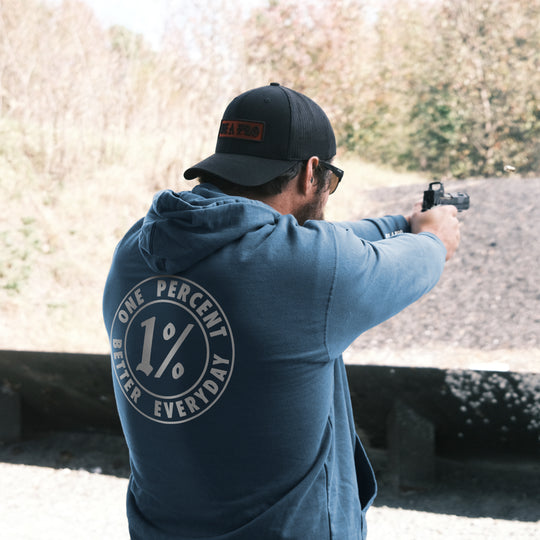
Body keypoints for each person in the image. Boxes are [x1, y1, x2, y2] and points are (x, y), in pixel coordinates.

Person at [103, 82, 460, 539]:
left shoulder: (135, 249)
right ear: (312, 173)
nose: (327, 192)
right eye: (329, 180)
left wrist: (398, 223)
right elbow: (421, 258)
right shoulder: (309, 269)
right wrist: (432, 235)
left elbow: (309, 245)